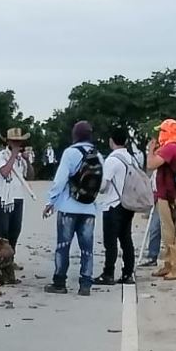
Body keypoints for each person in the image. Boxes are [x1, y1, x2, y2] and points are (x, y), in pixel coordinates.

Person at [44, 121, 103, 296]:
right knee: (87, 249)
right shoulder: (98, 155)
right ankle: (85, 284)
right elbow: (102, 183)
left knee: (63, 246)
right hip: (89, 209)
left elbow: (60, 180)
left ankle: (59, 283)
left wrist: (51, 201)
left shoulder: (70, 153)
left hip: (68, 207)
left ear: (75, 135)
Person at [93, 126, 137, 285]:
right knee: (126, 240)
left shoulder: (112, 160)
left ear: (111, 141)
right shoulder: (131, 159)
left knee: (110, 242)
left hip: (113, 205)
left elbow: (103, 186)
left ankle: (108, 273)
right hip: (128, 204)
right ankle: (128, 274)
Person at [146, 118, 176, 281]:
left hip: (172, 197)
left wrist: (151, 150)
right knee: (168, 232)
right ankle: (168, 264)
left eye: (162, 131)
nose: (159, 135)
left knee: (172, 233)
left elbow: (151, 164)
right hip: (170, 196)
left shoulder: (171, 148)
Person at [0, 128, 31, 252]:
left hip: (18, 197)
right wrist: (13, 155)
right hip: (5, 198)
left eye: (19, 141)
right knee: (2, 230)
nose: (17, 144)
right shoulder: (1, 155)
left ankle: (10, 256)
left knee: (15, 230)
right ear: (8, 142)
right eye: (14, 141)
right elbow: (4, 172)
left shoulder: (21, 159)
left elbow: (30, 176)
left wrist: (27, 160)